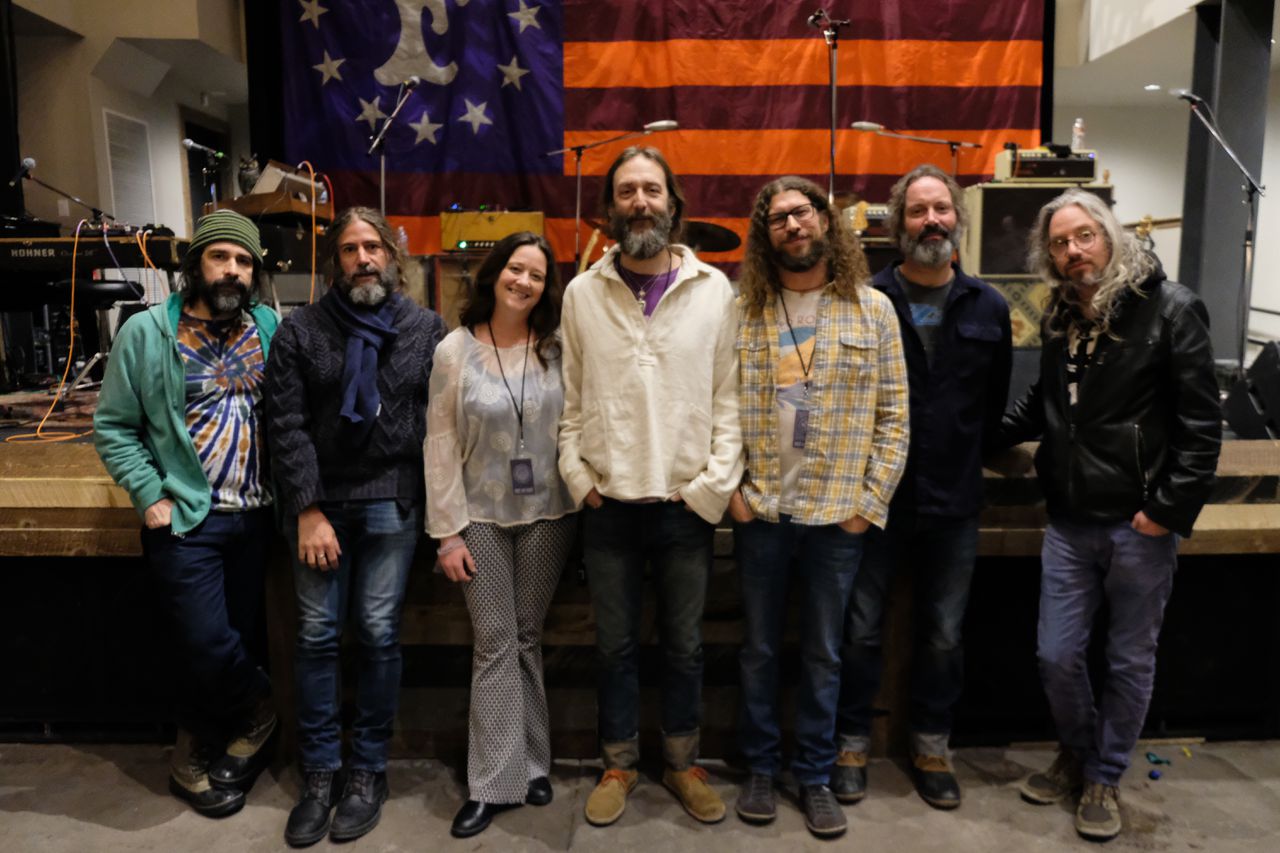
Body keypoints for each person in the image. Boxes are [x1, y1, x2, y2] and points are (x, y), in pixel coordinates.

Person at [1000, 188, 1220, 842]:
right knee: (1056, 655)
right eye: (1060, 243)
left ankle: (1104, 774)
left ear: (1110, 235)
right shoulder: (1061, 316)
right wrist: (965, 439)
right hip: (1070, 521)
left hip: (1138, 526)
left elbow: (1201, 424)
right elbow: (1043, 407)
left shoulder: (1171, 307)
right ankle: (1077, 753)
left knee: (1128, 660)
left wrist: (1166, 511)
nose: (1074, 251)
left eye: (1084, 236)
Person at [558, 146, 743, 827]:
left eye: (652, 190)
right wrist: (581, 481)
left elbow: (729, 401)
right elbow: (570, 402)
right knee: (613, 647)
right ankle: (619, 763)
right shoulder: (582, 294)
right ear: (610, 208)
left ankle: (683, 763)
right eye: (627, 191)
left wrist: (710, 488)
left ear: (673, 203)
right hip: (609, 507)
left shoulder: (713, 290)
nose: (640, 202)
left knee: (686, 647)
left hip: (684, 506)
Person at [728, 175, 909, 839]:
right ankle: (758, 767)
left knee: (825, 653)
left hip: (838, 516)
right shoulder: (744, 310)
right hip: (763, 511)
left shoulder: (872, 310)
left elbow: (895, 418)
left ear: (826, 221)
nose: (792, 226)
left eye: (801, 213)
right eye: (777, 219)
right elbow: (715, 407)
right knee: (758, 650)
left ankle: (814, 774)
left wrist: (867, 503)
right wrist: (732, 493)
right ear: (765, 235)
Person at [264, 206, 447, 847]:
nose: (363, 259)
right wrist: (308, 509)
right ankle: (319, 773)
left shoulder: (426, 329)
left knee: (376, 631)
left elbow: (440, 424)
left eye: (373, 247)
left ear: (392, 256)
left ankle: (368, 770)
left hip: (392, 501)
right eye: (349, 249)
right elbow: (285, 425)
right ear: (334, 261)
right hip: (321, 507)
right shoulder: (301, 331)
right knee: (316, 636)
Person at [834, 164, 1012, 810]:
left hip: (954, 502)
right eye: (918, 210)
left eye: (941, 208)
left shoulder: (989, 306)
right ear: (898, 223)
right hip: (875, 501)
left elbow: (992, 405)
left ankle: (932, 747)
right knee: (860, 630)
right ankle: (851, 743)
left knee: (943, 634)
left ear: (957, 218)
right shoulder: (866, 300)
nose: (931, 220)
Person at [94, 209, 279, 817]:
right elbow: (113, 427)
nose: (232, 270)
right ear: (195, 264)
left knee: (234, 640)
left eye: (244, 261)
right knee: (204, 640)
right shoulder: (147, 332)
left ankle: (216, 746)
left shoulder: (268, 327)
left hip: (255, 514)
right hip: (187, 518)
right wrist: (149, 494)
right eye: (220, 256)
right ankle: (261, 711)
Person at [424, 232, 578, 838]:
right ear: (494, 274)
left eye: (536, 275)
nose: (524, 282)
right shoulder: (454, 350)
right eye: (516, 269)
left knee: (525, 636)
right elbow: (439, 443)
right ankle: (492, 782)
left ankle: (533, 763)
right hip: (479, 517)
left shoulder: (558, 349)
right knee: (494, 641)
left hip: (550, 513)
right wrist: (447, 535)